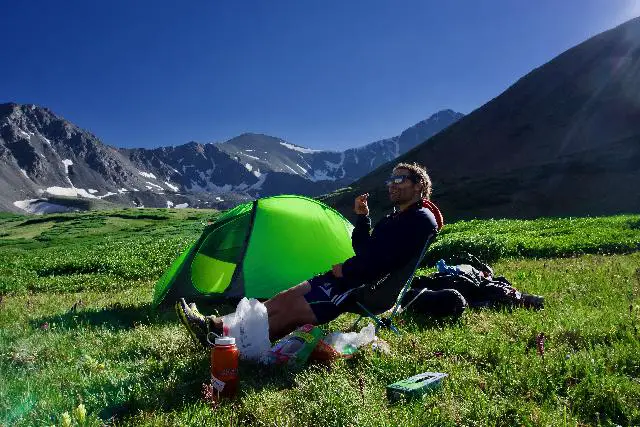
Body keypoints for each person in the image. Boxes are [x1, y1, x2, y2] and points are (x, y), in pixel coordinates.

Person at [176, 162, 443, 346]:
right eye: (390, 179)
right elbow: (365, 249)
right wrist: (363, 218)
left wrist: (347, 271)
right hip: (351, 277)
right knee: (284, 298)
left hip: (363, 287)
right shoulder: (398, 218)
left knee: (290, 313)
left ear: (419, 185)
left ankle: (228, 344)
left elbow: (386, 261)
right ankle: (216, 326)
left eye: (399, 179)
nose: (392, 185)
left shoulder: (420, 219)